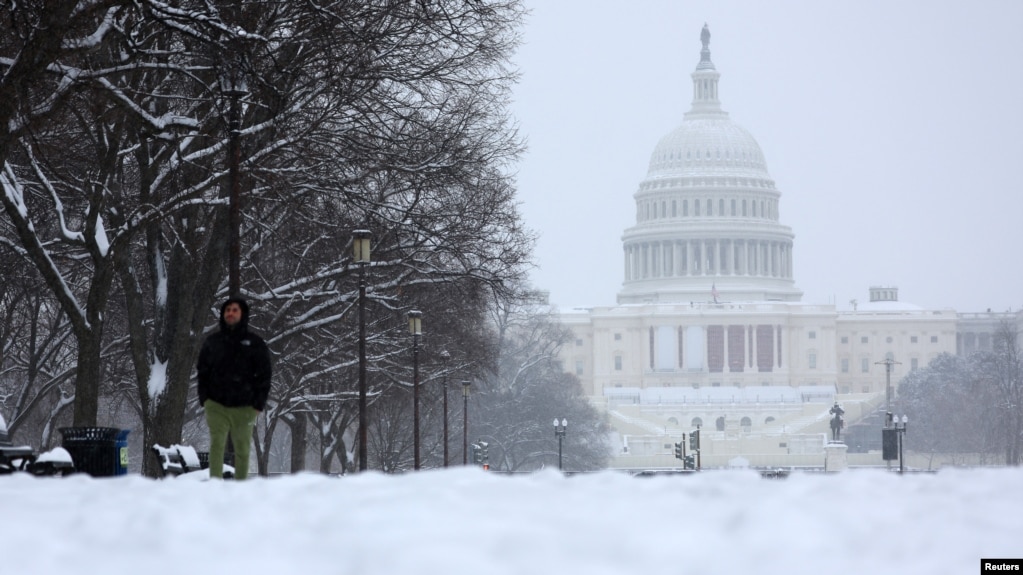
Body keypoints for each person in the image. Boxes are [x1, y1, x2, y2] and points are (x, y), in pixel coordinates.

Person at [197, 297, 272, 479]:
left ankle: (241, 489)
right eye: (227, 310)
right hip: (216, 405)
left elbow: (264, 374)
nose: (230, 313)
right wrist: (205, 398)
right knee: (217, 445)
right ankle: (215, 485)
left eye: (235, 310)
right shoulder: (212, 342)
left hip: (245, 407)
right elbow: (202, 371)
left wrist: (258, 403)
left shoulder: (255, 344)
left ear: (243, 314)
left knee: (243, 448)